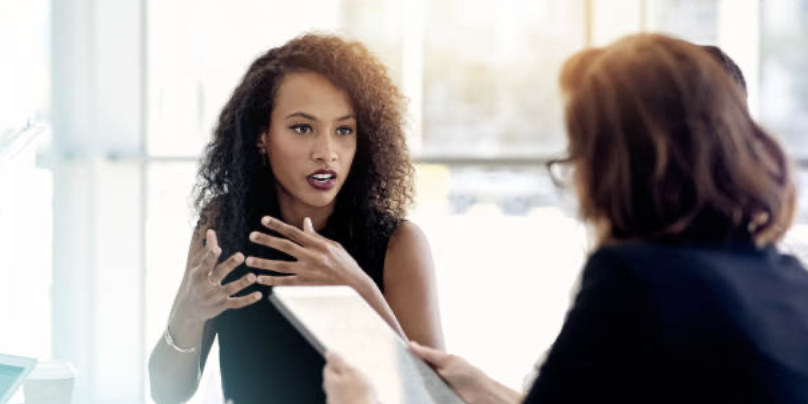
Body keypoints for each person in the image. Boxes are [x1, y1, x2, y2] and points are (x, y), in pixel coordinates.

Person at [324, 33, 808, 404]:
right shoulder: (786, 279)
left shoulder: (637, 278)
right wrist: (490, 391)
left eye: (582, 152)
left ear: (620, 162)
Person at [148, 33, 445, 404]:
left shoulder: (399, 245)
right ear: (262, 136)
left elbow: (434, 399)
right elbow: (166, 393)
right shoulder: (222, 224)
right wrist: (188, 313)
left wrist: (360, 291)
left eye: (343, 130)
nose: (327, 153)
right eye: (302, 128)